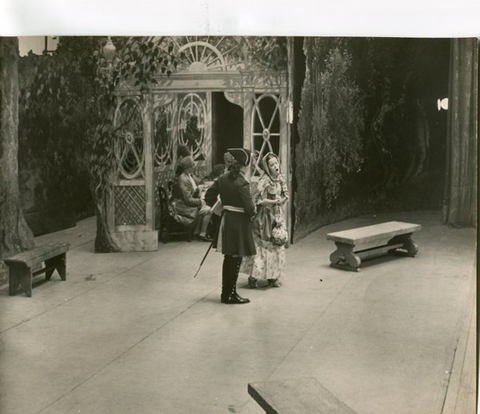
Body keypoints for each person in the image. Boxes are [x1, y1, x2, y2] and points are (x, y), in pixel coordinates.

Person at [204, 148, 256, 304]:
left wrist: (222, 207)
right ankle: (230, 294)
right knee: (235, 258)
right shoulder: (242, 182)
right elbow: (250, 208)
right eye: (249, 165)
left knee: (229, 258)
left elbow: (208, 196)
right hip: (238, 223)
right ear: (243, 166)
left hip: (226, 220)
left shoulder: (223, 179)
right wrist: (253, 212)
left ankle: (226, 293)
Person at [243, 152, 289, 288]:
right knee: (264, 246)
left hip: (277, 215)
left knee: (277, 244)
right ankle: (253, 277)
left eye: (276, 163)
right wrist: (273, 201)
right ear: (267, 167)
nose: (275, 166)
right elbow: (256, 199)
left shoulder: (280, 179)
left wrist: (282, 200)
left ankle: (272, 277)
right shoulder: (264, 180)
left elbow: (286, 195)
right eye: (272, 164)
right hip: (265, 217)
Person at [171, 156, 212, 241]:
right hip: (181, 207)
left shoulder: (188, 176)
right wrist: (201, 201)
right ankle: (201, 233)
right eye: (192, 166)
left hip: (183, 203)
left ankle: (197, 232)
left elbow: (198, 182)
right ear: (187, 167)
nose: (193, 168)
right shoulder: (183, 179)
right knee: (208, 210)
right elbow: (188, 200)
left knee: (204, 207)